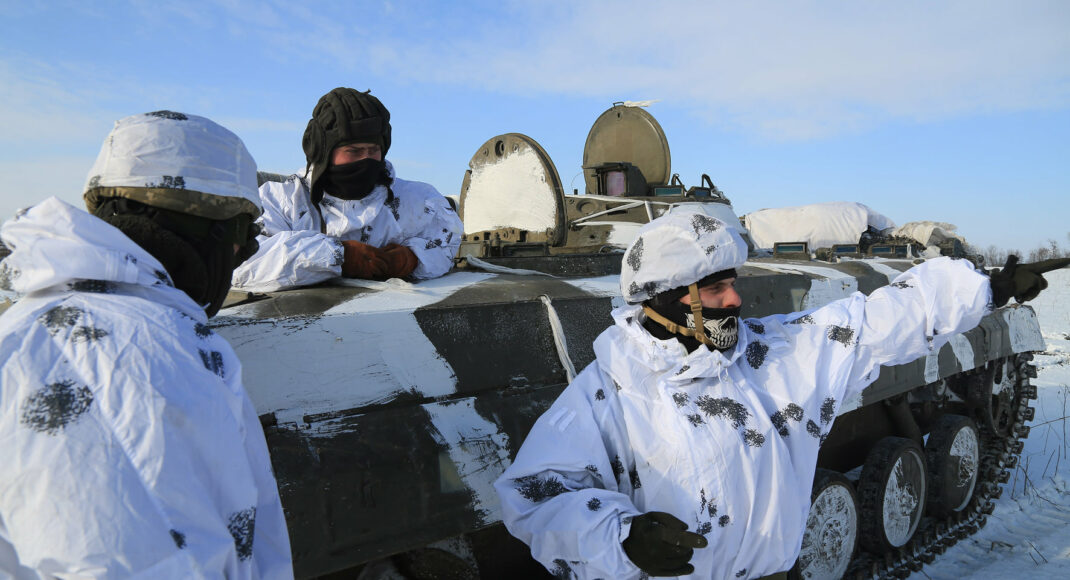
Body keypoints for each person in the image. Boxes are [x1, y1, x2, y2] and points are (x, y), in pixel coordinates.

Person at [494, 210, 1061, 579]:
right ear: (665, 301)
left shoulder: (768, 358)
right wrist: (619, 539)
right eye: (714, 288)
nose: (735, 300)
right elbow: (535, 495)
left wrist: (985, 288)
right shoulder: (609, 394)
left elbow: (872, 323)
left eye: (732, 283)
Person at [0, 111, 293, 578]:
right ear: (207, 227)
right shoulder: (150, 354)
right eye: (243, 238)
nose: (241, 257)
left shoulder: (21, 326)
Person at [232, 87, 462, 292]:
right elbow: (242, 263)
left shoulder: (418, 201)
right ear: (323, 151)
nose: (366, 160)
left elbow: (446, 242)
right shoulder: (280, 200)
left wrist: (413, 257)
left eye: (373, 150)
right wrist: (338, 256)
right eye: (353, 151)